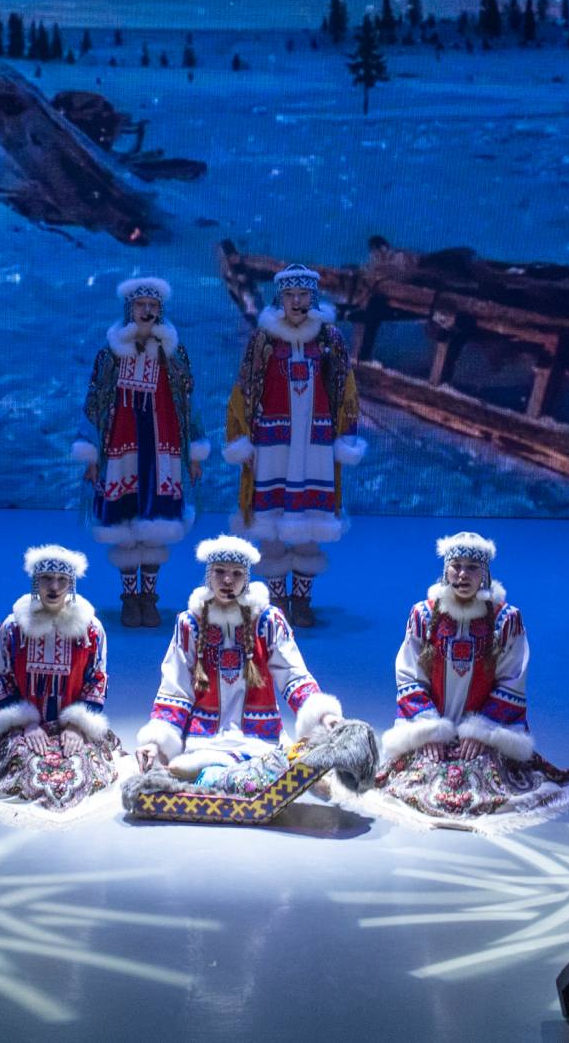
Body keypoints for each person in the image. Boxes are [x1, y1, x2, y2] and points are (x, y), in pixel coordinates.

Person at [373, 533, 569, 828]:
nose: (462, 574)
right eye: (456, 566)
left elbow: (512, 679)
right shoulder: (423, 615)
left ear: (485, 574)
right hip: (436, 726)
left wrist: (481, 731)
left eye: (472, 567)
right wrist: (428, 731)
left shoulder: (505, 620)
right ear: (445, 570)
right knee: (415, 782)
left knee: (487, 785)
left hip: (485, 732)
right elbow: (409, 673)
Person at [0, 546, 122, 819]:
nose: (54, 587)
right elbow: (1, 678)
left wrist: (77, 726)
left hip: (70, 727)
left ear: (71, 584)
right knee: (23, 764)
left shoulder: (90, 629)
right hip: (23, 726)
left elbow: (97, 680)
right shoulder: (13, 627)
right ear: (35, 582)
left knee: (78, 769)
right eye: (46, 579)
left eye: (62, 580)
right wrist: (26, 723)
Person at [223, 264, 365, 625]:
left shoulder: (329, 339)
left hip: (316, 440)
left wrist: (346, 433)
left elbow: (345, 388)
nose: (297, 302)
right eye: (290, 295)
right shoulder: (264, 339)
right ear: (280, 299)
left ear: (313, 298)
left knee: (312, 519)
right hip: (272, 439)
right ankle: (276, 598)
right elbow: (244, 388)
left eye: (303, 295)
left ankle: (301, 600)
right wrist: (240, 436)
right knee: (268, 519)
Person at [136, 536, 343, 779]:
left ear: (247, 578)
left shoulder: (267, 621)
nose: (227, 580)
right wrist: (157, 742)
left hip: (259, 740)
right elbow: (175, 689)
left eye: (236, 574)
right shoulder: (190, 624)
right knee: (207, 775)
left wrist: (324, 714)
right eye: (220, 572)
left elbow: (293, 676)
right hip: (205, 740)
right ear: (208, 575)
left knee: (270, 770)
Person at [74, 275, 208, 628]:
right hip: (121, 448)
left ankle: (149, 596)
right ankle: (129, 597)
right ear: (129, 309)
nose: (146, 311)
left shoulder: (173, 355)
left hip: (162, 448)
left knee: (157, 524)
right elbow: (93, 403)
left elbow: (189, 405)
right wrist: (90, 455)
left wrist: (194, 452)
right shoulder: (110, 356)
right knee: (123, 522)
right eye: (140, 305)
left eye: (152, 306)